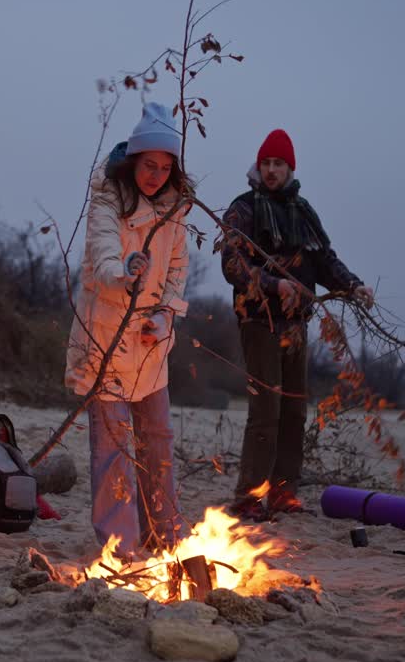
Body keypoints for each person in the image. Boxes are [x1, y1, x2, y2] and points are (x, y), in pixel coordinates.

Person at [219, 129, 373, 520]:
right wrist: (275, 284)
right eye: (266, 163)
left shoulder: (303, 213)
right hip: (258, 319)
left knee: (294, 412)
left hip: (296, 325)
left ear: (290, 168)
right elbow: (233, 265)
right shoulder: (243, 209)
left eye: (279, 164)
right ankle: (248, 497)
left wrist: (352, 285)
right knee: (266, 410)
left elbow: (324, 261)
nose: (271, 171)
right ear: (259, 166)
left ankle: (284, 492)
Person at [65, 101, 193, 558]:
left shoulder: (175, 209)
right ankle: (122, 548)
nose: (156, 175)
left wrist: (165, 315)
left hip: (151, 346)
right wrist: (125, 270)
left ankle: (166, 538)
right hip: (106, 342)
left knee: (157, 442)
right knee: (114, 449)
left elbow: (178, 268)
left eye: (164, 167)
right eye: (149, 164)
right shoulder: (107, 200)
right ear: (133, 161)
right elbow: (101, 259)